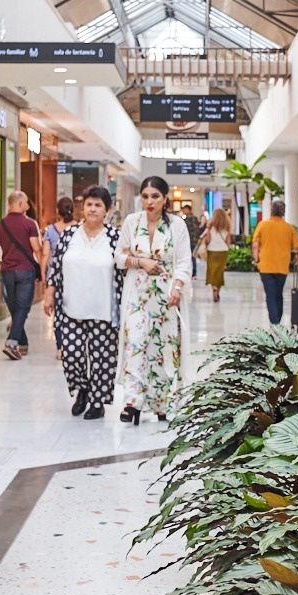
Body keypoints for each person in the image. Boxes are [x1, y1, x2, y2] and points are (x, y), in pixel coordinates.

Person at [117, 176, 193, 424]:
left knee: (163, 348)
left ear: (165, 198)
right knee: (136, 344)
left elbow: (183, 261)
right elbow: (119, 257)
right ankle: (133, 402)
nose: (149, 201)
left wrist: (178, 287)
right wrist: (139, 261)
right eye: (146, 196)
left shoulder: (176, 226)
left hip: (166, 296)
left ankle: (162, 403)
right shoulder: (131, 222)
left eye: (155, 196)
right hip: (137, 294)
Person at [42, 185, 123, 419]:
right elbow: (56, 266)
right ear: (82, 207)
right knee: (72, 354)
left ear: (106, 210)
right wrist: (49, 293)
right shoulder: (70, 234)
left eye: (98, 205)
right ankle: (83, 390)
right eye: (89, 204)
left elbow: (123, 271)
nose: (93, 209)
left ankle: (98, 401)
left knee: (101, 357)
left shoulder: (114, 238)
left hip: (103, 308)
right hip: (70, 308)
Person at [0, 190, 44, 360]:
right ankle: (12, 342)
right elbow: (37, 249)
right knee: (22, 308)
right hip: (26, 271)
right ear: (20, 204)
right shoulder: (30, 224)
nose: (28, 206)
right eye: (27, 202)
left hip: (7, 272)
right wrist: (43, 273)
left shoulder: (0, 225)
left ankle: (23, 344)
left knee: (15, 308)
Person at [250, 199, 298, 325]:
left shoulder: (262, 225)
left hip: (266, 266)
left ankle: (275, 321)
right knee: (279, 294)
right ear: (283, 212)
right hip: (282, 266)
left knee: (270, 295)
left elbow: (255, 245)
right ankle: (277, 319)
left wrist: (256, 259)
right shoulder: (288, 228)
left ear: (271, 211)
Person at [43, 196, 75, 359]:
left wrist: (43, 272)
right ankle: (74, 344)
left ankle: (60, 347)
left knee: (58, 312)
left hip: (55, 274)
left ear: (57, 211)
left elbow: (45, 253)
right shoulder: (78, 228)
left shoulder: (50, 230)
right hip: (75, 274)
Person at [201, 207, 232, 303]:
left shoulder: (210, 228)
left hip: (212, 251)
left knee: (212, 271)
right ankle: (218, 290)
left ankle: (214, 288)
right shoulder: (227, 228)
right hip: (223, 252)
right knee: (220, 272)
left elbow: (207, 240)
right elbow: (228, 242)